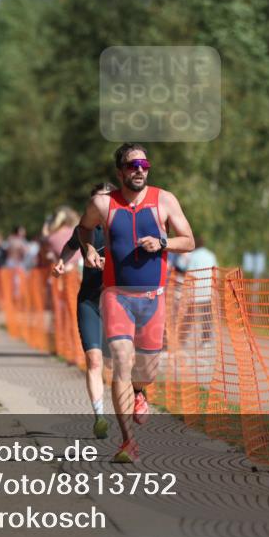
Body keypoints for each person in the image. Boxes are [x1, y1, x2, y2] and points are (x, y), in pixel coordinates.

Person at [78, 143, 194, 462]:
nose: (140, 169)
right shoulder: (102, 204)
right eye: (132, 165)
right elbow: (83, 229)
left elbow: (190, 240)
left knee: (145, 371)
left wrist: (163, 242)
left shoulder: (165, 200)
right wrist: (88, 250)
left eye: (144, 164)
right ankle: (128, 441)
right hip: (116, 296)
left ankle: (141, 392)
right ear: (120, 172)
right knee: (121, 362)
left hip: (153, 299)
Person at [52, 183, 116, 440]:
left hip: (117, 303)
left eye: (104, 201)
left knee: (118, 363)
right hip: (89, 300)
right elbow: (70, 246)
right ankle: (100, 416)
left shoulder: (122, 229)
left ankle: (133, 400)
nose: (98, 207)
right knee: (94, 360)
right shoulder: (84, 230)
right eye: (95, 203)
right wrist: (61, 261)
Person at [177, 236, 218, 349]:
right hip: (208, 289)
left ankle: (182, 340)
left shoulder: (192, 255)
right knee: (207, 317)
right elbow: (216, 271)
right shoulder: (211, 255)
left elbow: (181, 267)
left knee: (188, 316)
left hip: (194, 290)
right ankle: (206, 341)